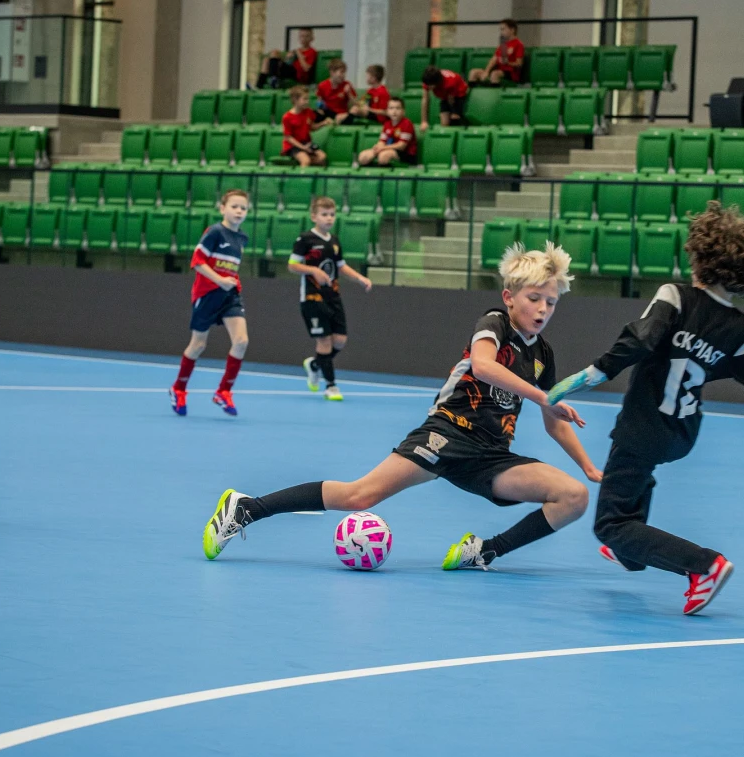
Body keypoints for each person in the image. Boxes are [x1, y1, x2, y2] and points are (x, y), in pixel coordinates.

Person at [545, 202, 744, 615]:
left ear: (699, 256)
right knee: (632, 500)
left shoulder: (675, 296)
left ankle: (704, 566)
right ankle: (632, 552)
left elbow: (642, 338)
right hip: (681, 434)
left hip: (642, 427)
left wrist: (592, 374)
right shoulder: (741, 332)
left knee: (611, 525)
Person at [201, 243, 602, 569]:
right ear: (509, 297)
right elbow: (483, 366)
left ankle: (484, 551)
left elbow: (554, 421)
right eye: (534, 298)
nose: (543, 309)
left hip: (491, 456)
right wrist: (542, 396)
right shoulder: (494, 322)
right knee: (359, 497)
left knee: (573, 497)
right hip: (447, 433)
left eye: (551, 302)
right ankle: (246, 508)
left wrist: (587, 466)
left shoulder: (543, 355)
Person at [169, 190, 252, 417]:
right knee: (198, 345)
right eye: (234, 206)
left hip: (230, 296)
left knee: (241, 341)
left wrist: (231, 284)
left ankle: (224, 392)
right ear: (222, 208)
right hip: (207, 294)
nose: (239, 211)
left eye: (243, 208)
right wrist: (219, 280)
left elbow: (230, 268)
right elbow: (197, 261)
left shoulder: (242, 238)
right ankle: (178, 388)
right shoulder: (214, 232)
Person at [288, 196, 373, 402]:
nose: (329, 218)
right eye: (324, 214)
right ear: (314, 217)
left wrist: (360, 278)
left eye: (332, 215)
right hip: (312, 297)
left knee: (340, 341)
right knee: (324, 341)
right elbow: (292, 265)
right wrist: (313, 271)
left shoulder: (334, 241)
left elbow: (341, 266)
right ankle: (331, 385)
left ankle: (315, 364)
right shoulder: (305, 239)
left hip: (333, 296)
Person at [356, 97, 417, 167]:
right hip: (387, 149)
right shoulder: (387, 124)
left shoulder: (407, 123)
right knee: (363, 156)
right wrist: (378, 147)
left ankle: (381, 173)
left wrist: (382, 148)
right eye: (391, 108)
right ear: (387, 111)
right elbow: (382, 141)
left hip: (406, 154)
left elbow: (401, 146)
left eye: (398, 108)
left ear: (403, 111)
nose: (394, 111)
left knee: (383, 156)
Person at [281, 86, 329, 167]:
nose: (307, 101)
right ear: (295, 100)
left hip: (306, 143)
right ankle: (301, 174)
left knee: (322, 157)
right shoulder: (287, 117)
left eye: (308, 99)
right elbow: (288, 138)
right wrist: (303, 147)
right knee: (306, 161)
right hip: (293, 146)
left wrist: (323, 123)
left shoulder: (308, 112)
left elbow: (312, 127)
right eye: (305, 99)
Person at [469, 18, 526, 85]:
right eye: (501, 29)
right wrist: (486, 71)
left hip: (511, 73)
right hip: (499, 70)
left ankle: (493, 91)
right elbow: (494, 59)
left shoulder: (518, 44)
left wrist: (507, 63)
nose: (501, 32)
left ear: (512, 30)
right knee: (473, 72)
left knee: (494, 74)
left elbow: (519, 64)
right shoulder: (503, 44)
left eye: (503, 29)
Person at [420, 65, 469, 129]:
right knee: (444, 123)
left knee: (454, 118)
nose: (428, 87)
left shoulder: (449, 82)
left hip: (458, 94)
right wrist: (424, 121)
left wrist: (454, 112)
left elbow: (451, 100)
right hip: (445, 96)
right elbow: (425, 99)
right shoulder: (428, 81)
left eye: (430, 85)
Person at [315, 59, 358, 125]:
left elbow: (357, 105)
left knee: (354, 111)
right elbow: (319, 103)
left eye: (344, 72)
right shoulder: (322, 85)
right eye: (341, 72)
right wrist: (320, 111)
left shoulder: (347, 84)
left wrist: (349, 93)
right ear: (332, 72)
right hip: (328, 113)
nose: (343, 75)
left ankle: (336, 121)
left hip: (343, 115)